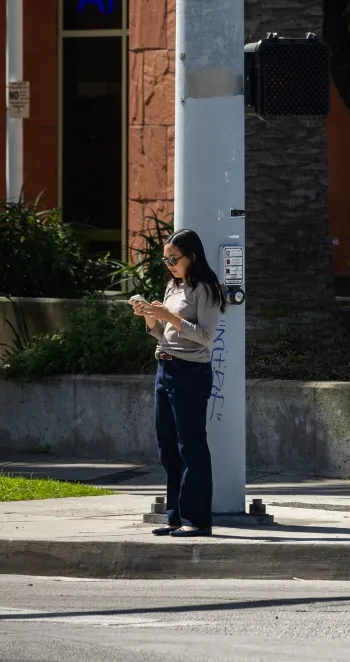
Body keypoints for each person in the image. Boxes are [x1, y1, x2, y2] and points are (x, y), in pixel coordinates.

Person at [131, 230, 223, 538]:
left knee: (191, 446)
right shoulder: (173, 286)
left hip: (191, 372)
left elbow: (205, 337)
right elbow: (164, 335)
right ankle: (175, 516)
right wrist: (149, 317)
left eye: (174, 259)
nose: (169, 265)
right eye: (165, 259)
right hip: (165, 367)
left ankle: (196, 519)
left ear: (192, 258)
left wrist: (167, 315)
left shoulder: (206, 290)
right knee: (168, 447)